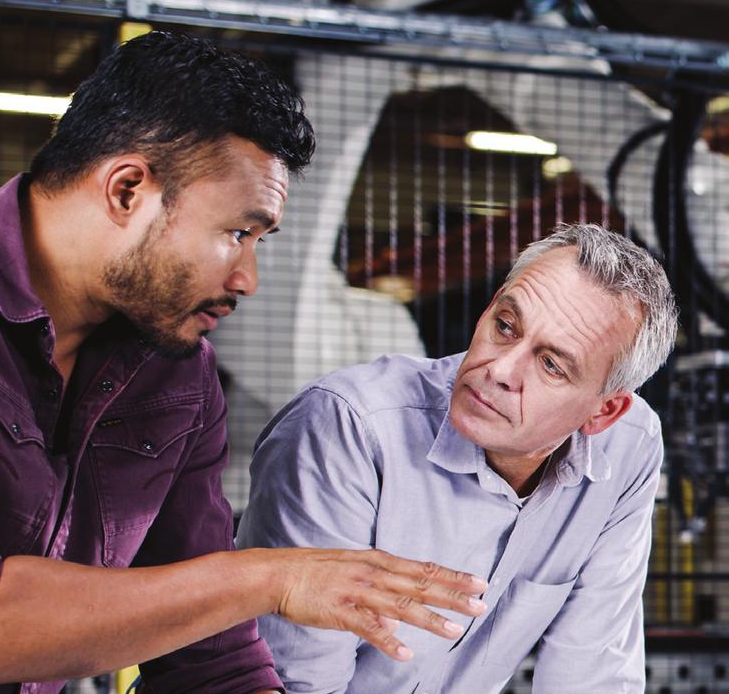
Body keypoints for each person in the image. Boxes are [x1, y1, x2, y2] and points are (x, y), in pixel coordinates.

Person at [0, 30, 488, 694]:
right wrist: (272, 575)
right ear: (126, 190)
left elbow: (210, 662)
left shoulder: (174, 375)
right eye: (237, 233)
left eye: (262, 241)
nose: (247, 276)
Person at [237, 223, 678, 693]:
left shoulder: (628, 445)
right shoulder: (350, 428)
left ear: (603, 411)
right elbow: (294, 683)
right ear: (489, 308)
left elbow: (592, 675)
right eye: (505, 326)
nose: (499, 370)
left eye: (551, 364)